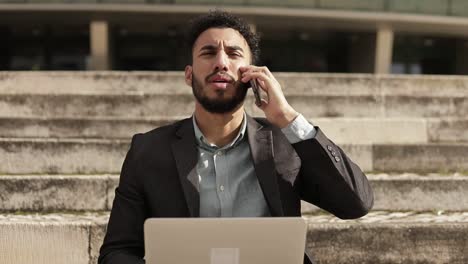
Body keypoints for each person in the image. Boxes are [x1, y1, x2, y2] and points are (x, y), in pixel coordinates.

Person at [98, 10, 373, 264]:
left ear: (252, 74)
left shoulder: (286, 142)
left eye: (233, 53)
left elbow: (355, 204)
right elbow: (117, 251)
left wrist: (287, 117)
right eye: (208, 53)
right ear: (189, 74)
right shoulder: (148, 150)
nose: (221, 62)